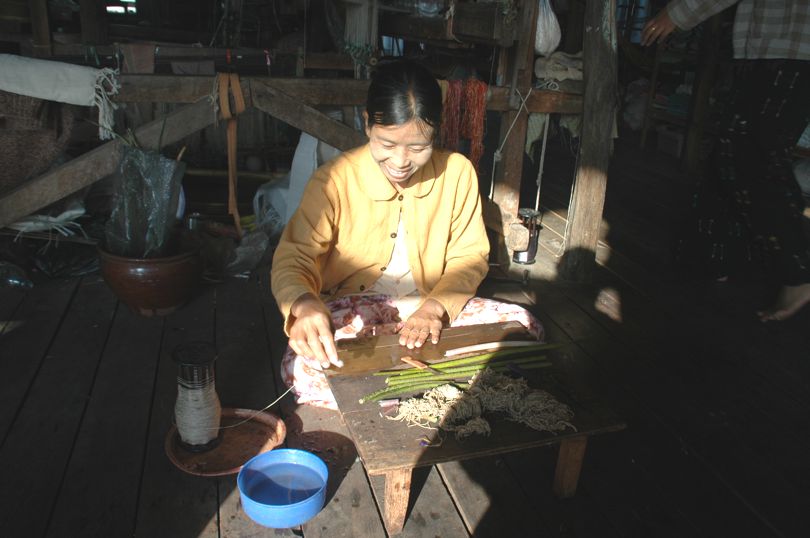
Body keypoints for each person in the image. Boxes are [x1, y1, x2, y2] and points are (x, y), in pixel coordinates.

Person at [270, 60, 542, 409]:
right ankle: (440, 389)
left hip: (431, 308)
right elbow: (294, 256)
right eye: (387, 144)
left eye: (417, 148)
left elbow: (469, 257)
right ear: (367, 123)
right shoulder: (334, 179)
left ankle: (399, 392)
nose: (401, 161)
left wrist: (434, 308)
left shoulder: (457, 173)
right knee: (301, 368)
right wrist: (304, 304)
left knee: (523, 326)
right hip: (355, 313)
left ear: (436, 134)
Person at [642, 0, 810, 321]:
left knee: (751, 156)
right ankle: (713, 258)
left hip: (790, 45)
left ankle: (797, 272)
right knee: (730, 152)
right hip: (770, 45)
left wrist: (677, 14)